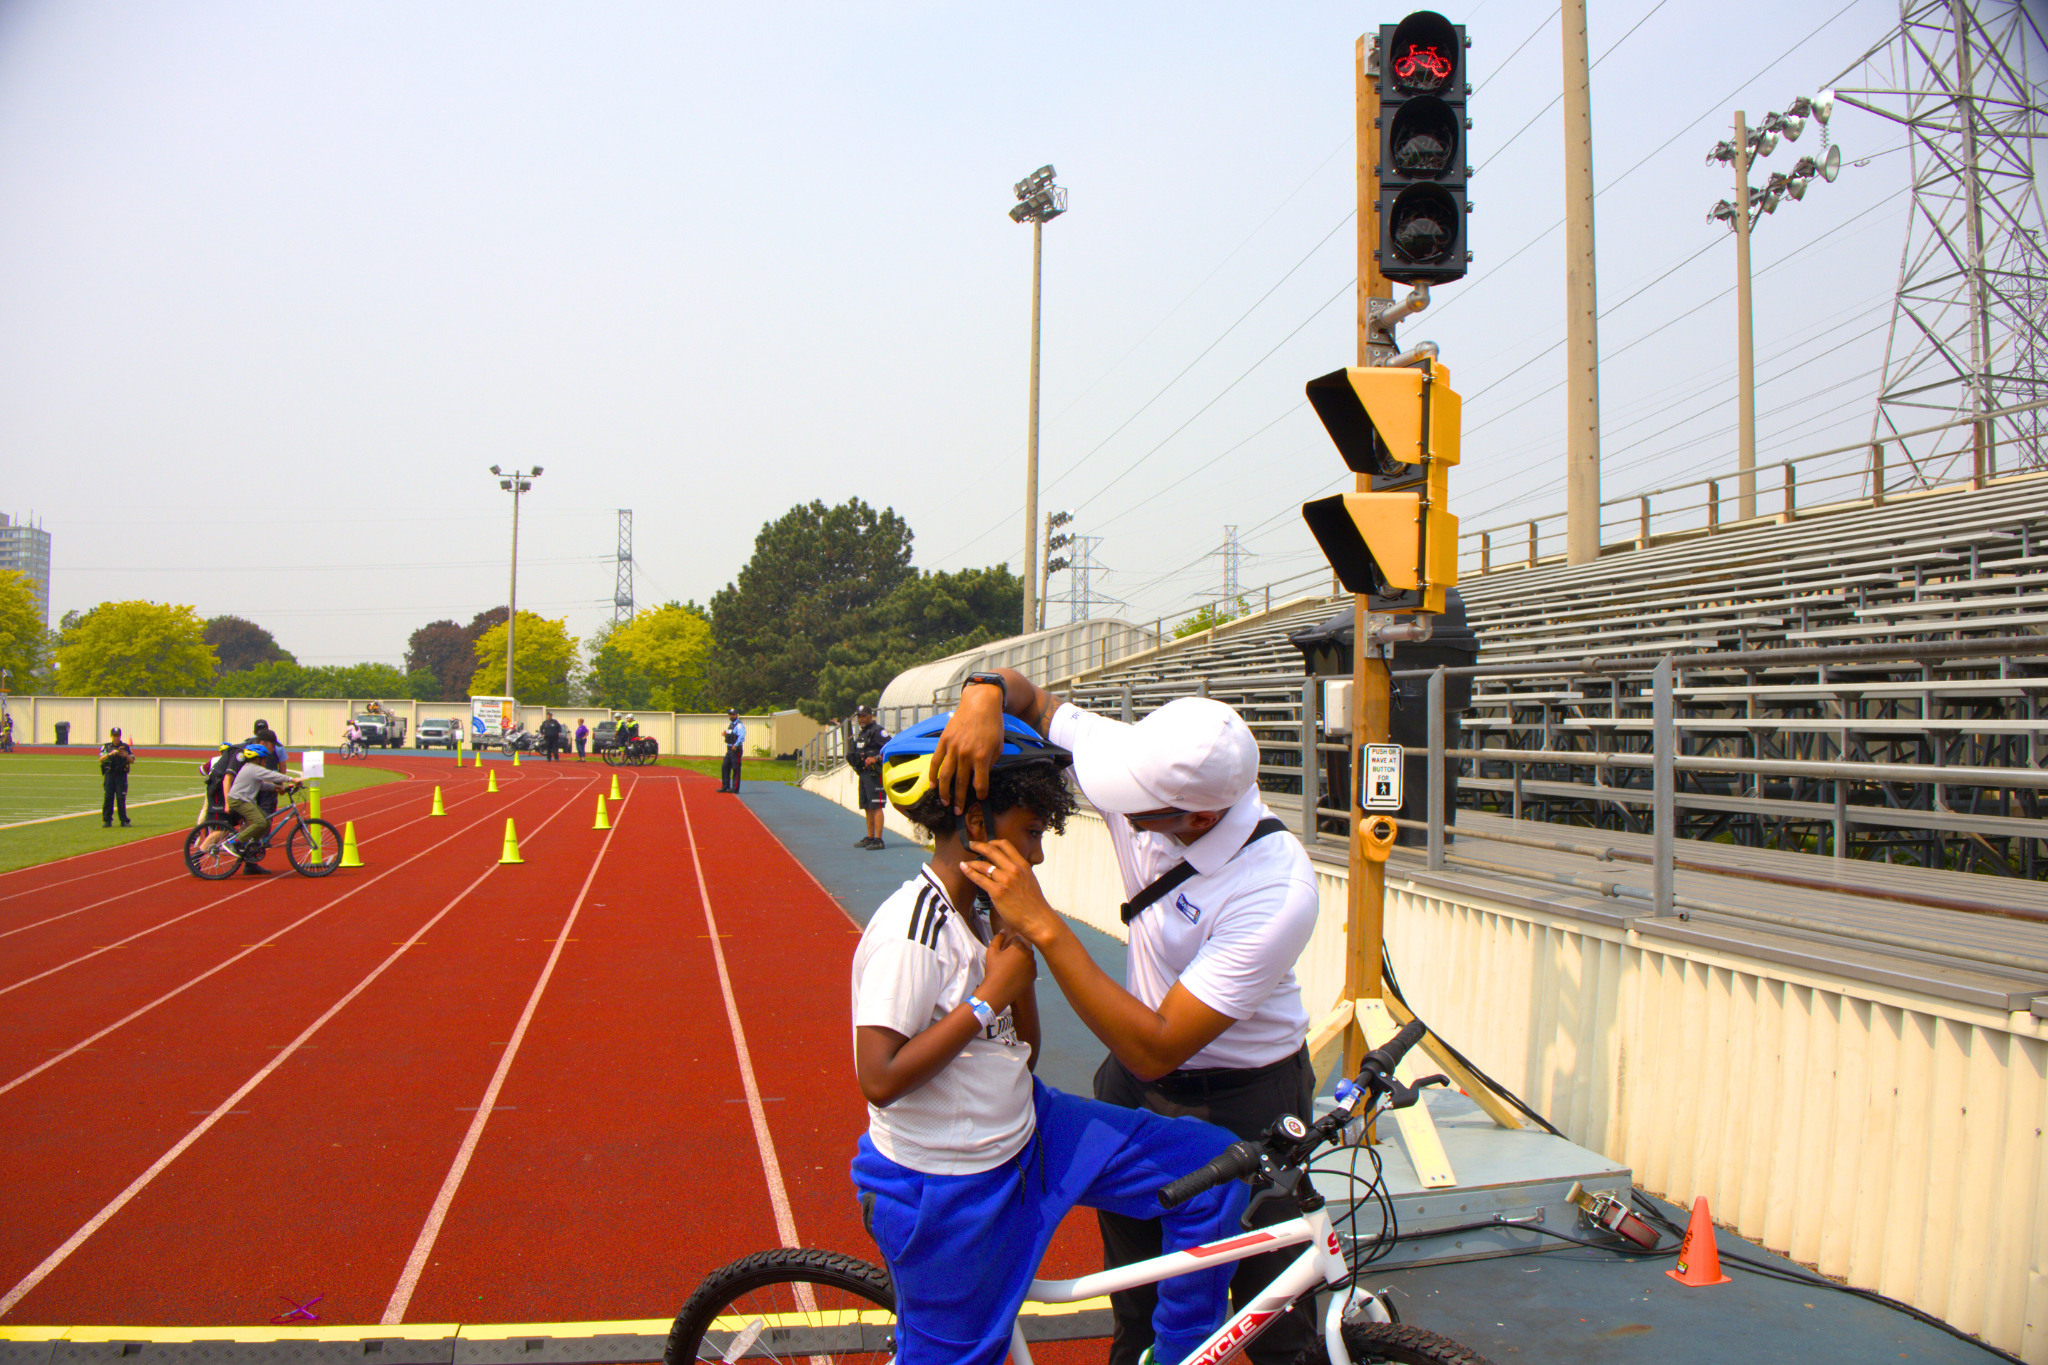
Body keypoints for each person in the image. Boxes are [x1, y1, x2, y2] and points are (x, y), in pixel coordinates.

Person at [934, 672, 1321, 1365]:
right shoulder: (1143, 758)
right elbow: (1033, 699)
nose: (1115, 810)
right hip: (1139, 1091)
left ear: (1197, 817)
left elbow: (1157, 1046)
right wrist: (983, 693)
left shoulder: (1276, 888)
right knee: (1139, 1303)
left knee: (1275, 1319)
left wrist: (1045, 928)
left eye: (1136, 811)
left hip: (1245, 1099)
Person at [851, 713, 1247, 1365]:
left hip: (1030, 1128)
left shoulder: (981, 911)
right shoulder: (909, 931)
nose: (1037, 853)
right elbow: (880, 1077)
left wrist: (1019, 950)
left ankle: (1179, 1351)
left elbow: (1024, 1050)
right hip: (952, 1187)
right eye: (1031, 832)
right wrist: (986, 998)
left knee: (1210, 1170)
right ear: (976, 825)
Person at [224, 747, 299, 876]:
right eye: (264, 759)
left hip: (245, 800)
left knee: (266, 821)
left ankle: (252, 848)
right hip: (239, 800)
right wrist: (292, 779)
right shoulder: (253, 768)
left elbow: (261, 785)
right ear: (257, 759)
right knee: (260, 823)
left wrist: (276, 787)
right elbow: (272, 775)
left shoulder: (251, 769)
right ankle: (233, 843)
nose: (265, 761)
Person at [851, 704, 889, 849]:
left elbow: (890, 747)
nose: (861, 719)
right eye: (859, 716)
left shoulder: (878, 732)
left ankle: (879, 840)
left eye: (863, 716)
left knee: (876, 805)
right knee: (867, 806)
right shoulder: (863, 733)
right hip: (864, 773)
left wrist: (876, 759)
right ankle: (870, 837)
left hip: (875, 773)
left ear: (870, 716)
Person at [100, 727, 134, 827]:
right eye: (114, 736)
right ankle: (107, 820)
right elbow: (100, 758)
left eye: (117, 736)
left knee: (120, 798)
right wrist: (110, 754)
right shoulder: (106, 747)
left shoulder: (125, 746)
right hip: (110, 775)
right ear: (111, 736)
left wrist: (126, 755)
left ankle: (123, 820)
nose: (116, 738)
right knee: (108, 797)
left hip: (121, 775)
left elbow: (132, 760)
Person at [718, 708, 745, 793]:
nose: (731, 716)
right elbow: (731, 733)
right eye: (730, 714)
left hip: (735, 749)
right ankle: (725, 786)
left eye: (733, 714)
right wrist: (725, 733)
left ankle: (735, 788)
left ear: (737, 715)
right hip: (729, 749)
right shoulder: (731, 724)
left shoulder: (739, 725)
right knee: (725, 767)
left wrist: (736, 745)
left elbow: (741, 736)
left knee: (735, 768)